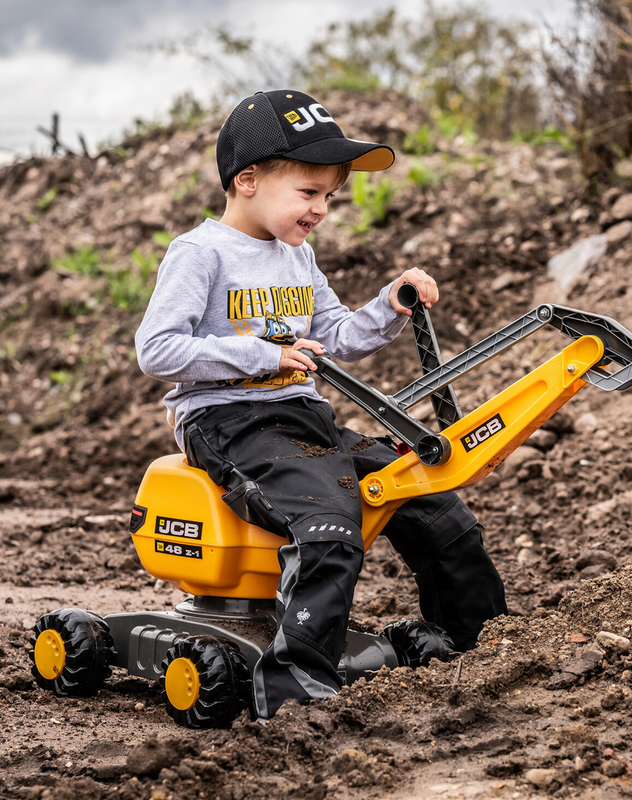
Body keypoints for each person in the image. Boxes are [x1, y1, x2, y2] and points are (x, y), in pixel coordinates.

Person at [135, 90, 507, 720]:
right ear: (247, 181)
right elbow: (158, 350)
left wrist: (389, 305)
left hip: (303, 422)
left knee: (429, 500)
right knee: (330, 526)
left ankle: (476, 644)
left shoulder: (297, 257)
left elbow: (332, 340)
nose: (322, 210)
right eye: (310, 192)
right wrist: (263, 355)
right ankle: (296, 693)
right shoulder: (200, 253)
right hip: (227, 423)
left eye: (330, 196)